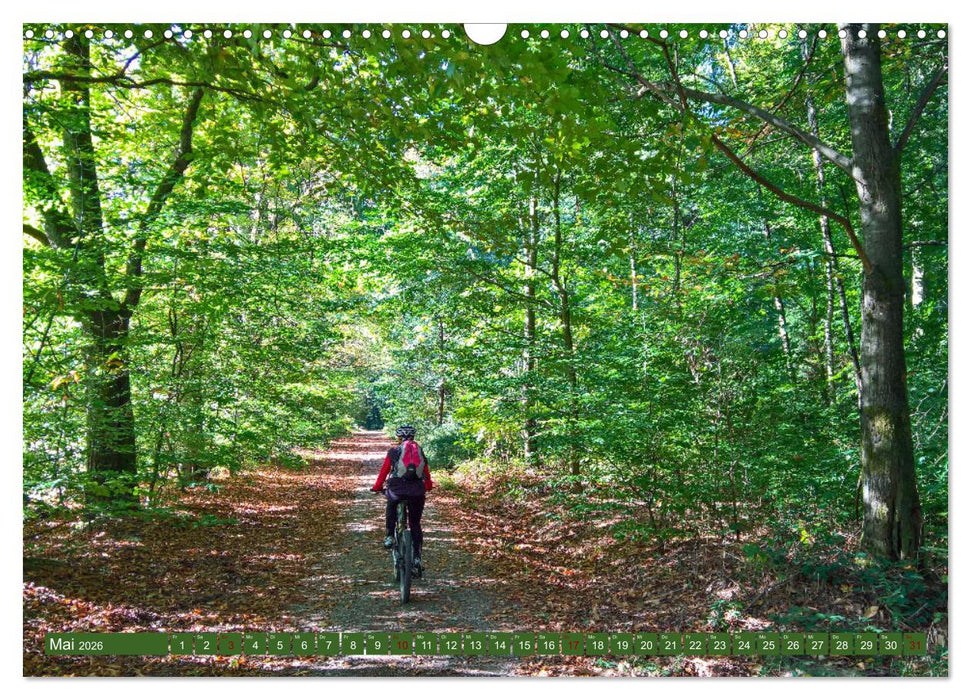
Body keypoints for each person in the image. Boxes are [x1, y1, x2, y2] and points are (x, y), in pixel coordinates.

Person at [371, 425, 433, 573]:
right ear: (413, 437)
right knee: (415, 523)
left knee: (391, 504)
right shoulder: (420, 451)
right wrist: (428, 486)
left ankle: (389, 536)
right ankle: (417, 558)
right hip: (417, 491)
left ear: (399, 438)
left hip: (397, 488)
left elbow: (384, 471)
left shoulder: (394, 451)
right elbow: (426, 473)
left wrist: (377, 487)